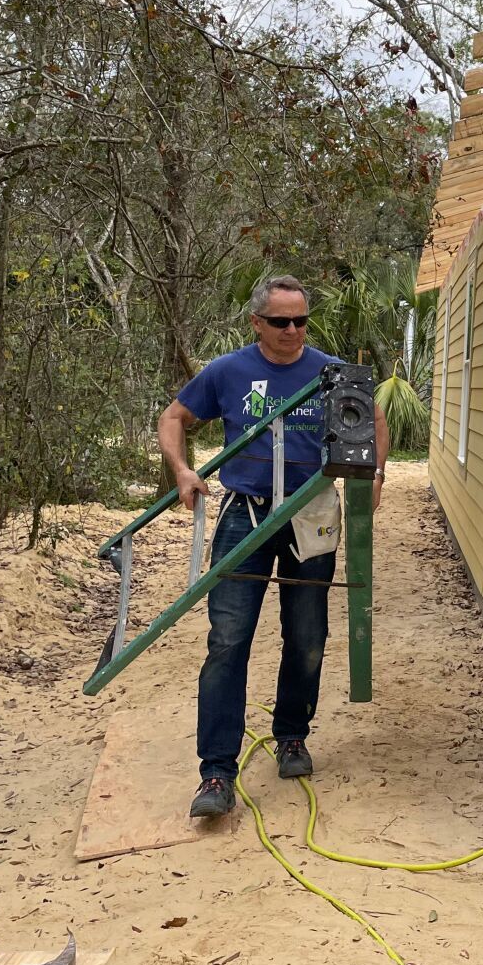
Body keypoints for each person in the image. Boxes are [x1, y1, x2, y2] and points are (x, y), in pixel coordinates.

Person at [157, 274, 388, 819]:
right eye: (280, 321)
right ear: (257, 322)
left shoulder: (331, 373)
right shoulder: (229, 371)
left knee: (308, 635)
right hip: (246, 514)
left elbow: (372, 416)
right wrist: (183, 471)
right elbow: (175, 417)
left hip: (311, 514)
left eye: (301, 320)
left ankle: (291, 736)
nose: (292, 331)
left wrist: (375, 472)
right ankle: (216, 772)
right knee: (228, 640)